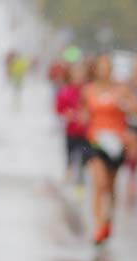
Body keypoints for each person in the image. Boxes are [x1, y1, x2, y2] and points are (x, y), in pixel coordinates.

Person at [81, 53, 137, 245]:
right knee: (99, 184)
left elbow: (136, 110)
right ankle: (99, 226)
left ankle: (109, 221)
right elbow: (84, 114)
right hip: (96, 141)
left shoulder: (121, 90)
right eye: (101, 66)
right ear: (96, 69)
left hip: (116, 143)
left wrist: (126, 105)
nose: (104, 70)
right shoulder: (88, 90)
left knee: (110, 186)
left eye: (107, 66)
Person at [54, 60, 89, 189]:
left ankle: (80, 184)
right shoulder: (65, 91)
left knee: (83, 160)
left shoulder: (87, 90)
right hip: (71, 131)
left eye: (81, 73)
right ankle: (67, 182)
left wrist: (86, 115)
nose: (79, 76)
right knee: (70, 157)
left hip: (86, 132)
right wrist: (67, 114)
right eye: (76, 73)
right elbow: (59, 109)